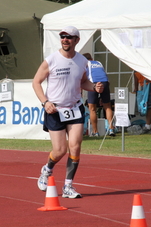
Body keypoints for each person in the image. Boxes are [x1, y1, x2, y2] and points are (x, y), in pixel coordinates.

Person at [32, 26, 103, 199]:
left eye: (69, 37)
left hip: (75, 108)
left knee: (75, 147)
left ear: (76, 40)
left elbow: (83, 82)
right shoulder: (51, 60)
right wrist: (45, 102)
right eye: (63, 37)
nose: (65, 40)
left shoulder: (82, 61)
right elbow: (36, 82)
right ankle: (47, 169)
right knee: (60, 150)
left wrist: (94, 87)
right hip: (55, 109)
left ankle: (68, 186)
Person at [83, 53, 115, 137]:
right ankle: (111, 129)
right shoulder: (98, 62)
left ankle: (95, 131)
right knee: (107, 106)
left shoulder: (85, 64)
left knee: (92, 109)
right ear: (92, 58)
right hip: (105, 82)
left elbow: (83, 79)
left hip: (93, 83)